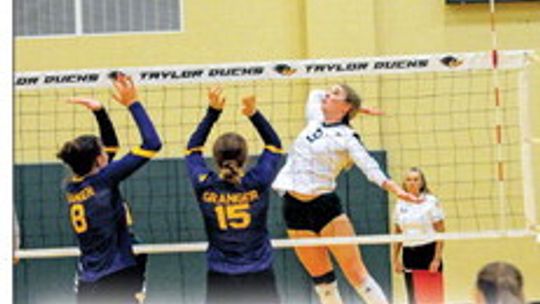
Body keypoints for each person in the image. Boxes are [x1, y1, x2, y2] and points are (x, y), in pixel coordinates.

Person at [272, 84, 420, 304]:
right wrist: (357, 109)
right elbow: (315, 93)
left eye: (335, 94)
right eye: (330, 92)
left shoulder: (348, 137)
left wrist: (396, 189)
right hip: (294, 208)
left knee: (357, 275)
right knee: (323, 282)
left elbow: (370, 167)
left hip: (325, 208)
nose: (327, 95)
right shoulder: (315, 118)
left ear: (345, 105)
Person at [56, 74, 161, 304]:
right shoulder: (104, 180)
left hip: (89, 278)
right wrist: (133, 102)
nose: (108, 152)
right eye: (103, 151)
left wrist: (100, 111)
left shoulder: (74, 185)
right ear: (98, 161)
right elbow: (153, 143)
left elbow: (111, 145)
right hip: (117, 274)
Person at [185, 87, 283, 304]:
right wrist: (253, 113)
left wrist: (213, 112)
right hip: (259, 272)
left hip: (221, 275)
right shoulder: (258, 181)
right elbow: (274, 146)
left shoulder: (205, 185)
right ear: (245, 157)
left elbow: (192, 149)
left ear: (216, 158)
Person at [392, 167, 445, 304]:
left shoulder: (430, 201)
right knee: (413, 298)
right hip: (409, 253)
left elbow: (441, 231)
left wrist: (437, 259)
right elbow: (398, 233)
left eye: (416, 179)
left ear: (421, 183)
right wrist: (395, 259)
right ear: (404, 183)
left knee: (432, 298)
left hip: (428, 252)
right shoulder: (400, 204)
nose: (412, 183)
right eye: (409, 179)